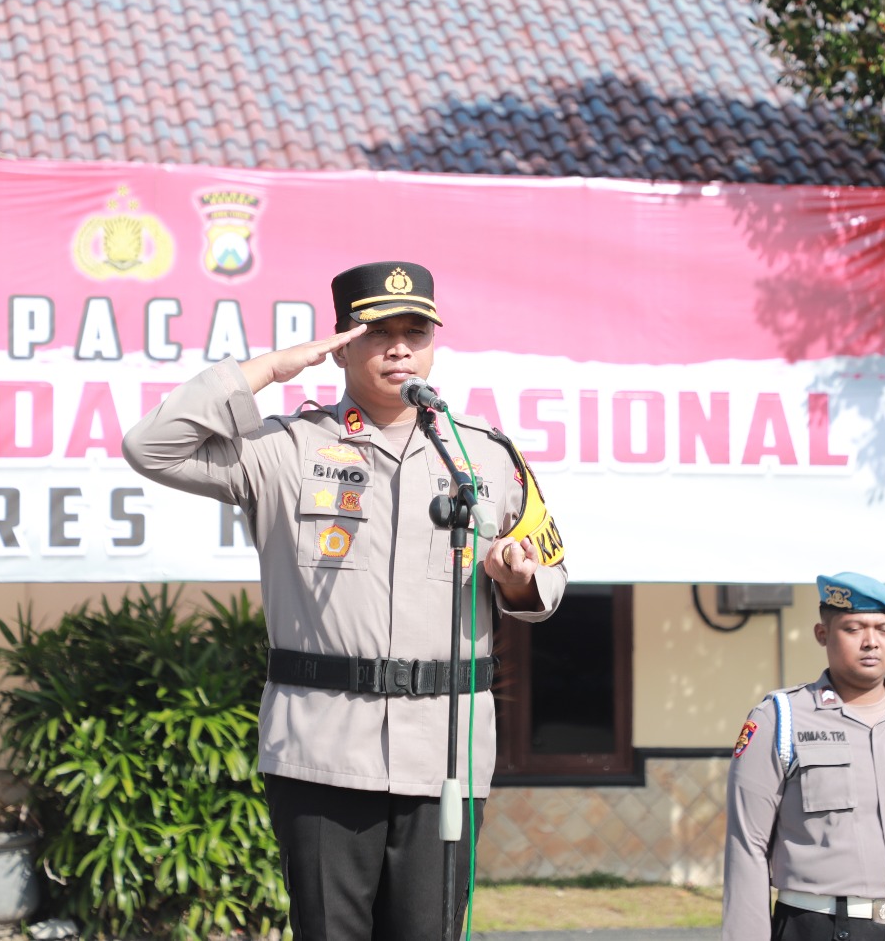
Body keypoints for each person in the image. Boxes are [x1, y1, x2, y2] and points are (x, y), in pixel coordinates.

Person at [122, 260, 566, 941]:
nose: (398, 348)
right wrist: (271, 368)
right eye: (376, 331)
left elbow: (549, 576)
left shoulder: (483, 459)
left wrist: (514, 576)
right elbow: (151, 446)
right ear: (342, 343)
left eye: (414, 331)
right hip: (324, 750)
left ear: (433, 343)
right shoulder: (287, 449)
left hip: (444, 756)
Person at [721, 571, 885, 941]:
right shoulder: (778, 720)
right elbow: (747, 844)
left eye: (883, 629)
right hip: (820, 928)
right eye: (853, 629)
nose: (870, 642)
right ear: (823, 634)